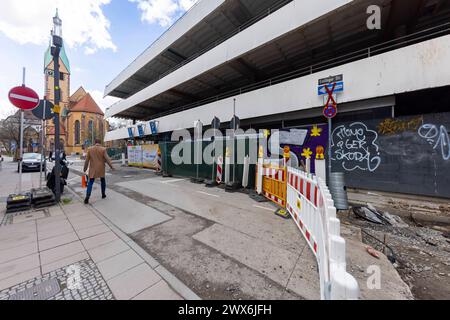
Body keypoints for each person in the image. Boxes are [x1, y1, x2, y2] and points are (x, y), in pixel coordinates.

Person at [83, 139, 114, 204]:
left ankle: (87, 196)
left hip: (93, 168)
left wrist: (85, 168)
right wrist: (111, 166)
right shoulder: (103, 149)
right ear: (100, 143)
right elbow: (107, 159)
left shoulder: (90, 149)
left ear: (95, 142)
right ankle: (103, 194)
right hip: (101, 168)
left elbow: (87, 160)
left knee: (90, 182)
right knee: (102, 180)